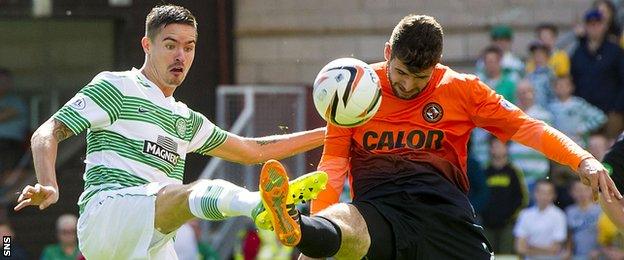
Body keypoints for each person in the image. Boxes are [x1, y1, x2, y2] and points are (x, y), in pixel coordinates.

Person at [259, 14, 621, 259]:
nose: (408, 85)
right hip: (380, 210)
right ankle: (301, 226)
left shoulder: (463, 90)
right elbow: (333, 166)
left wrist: (582, 158)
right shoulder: (355, 88)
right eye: (401, 72)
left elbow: (526, 126)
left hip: (446, 215)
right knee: (347, 220)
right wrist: (315, 244)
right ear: (388, 54)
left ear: (437, 63)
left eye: (421, 77)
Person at [13, 5, 328, 259]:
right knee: (192, 191)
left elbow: (252, 150)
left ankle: (261, 204)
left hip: (154, 237)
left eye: (189, 47)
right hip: (107, 215)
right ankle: (259, 205)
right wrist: (48, 184)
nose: (181, 56)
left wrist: (328, 134)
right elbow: (46, 132)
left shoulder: (186, 119)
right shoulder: (117, 86)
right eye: (171, 45)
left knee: (180, 198)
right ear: (147, 45)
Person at [571, 9, 624, 140]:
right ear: (585, 27)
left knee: (611, 152)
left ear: (604, 26)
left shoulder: (615, 51)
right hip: (585, 112)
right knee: (584, 151)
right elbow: (573, 81)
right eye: (590, 24)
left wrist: (618, 108)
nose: (594, 27)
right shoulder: (578, 53)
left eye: (597, 24)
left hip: (611, 112)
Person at [481, 137, 527, 254]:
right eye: (494, 146)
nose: (498, 149)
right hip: (486, 224)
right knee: (486, 255)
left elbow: (522, 198)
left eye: (501, 145)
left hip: (508, 225)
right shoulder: (484, 171)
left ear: (507, 148)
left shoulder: (514, 171)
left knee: (506, 255)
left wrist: (510, 217)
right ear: (490, 149)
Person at [508, 79, 552, 195]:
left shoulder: (544, 116)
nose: (524, 95)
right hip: (516, 176)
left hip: (537, 175)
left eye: (527, 91)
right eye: (521, 92)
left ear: (534, 93)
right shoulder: (510, 115)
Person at [514, 180, 567, 259]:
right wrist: (545, 250)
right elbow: (520, 248)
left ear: (554, 195)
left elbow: (555, 249)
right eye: (541, 192)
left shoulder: (559, 215)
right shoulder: (525, 214)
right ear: (535, 193)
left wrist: (530, 247)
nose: (544, 196)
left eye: (548, 193)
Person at [549, 76, 606, 148]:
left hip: (579, 143)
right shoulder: (551, 106)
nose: (561, 88)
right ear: (554, 88)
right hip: (559, 144)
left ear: (571, 87)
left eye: (564, 85)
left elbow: (600, 117)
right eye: (558, 86)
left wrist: (583, 128)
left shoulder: (579, 104)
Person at [0, 68, 28, 175]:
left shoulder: (16, 102)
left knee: (6, 174)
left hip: (9, 145)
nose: (2, 84)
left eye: (4, 82)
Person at [564, 181, 601, 260]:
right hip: (577, 255)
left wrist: (599, 250)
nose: (582, 193)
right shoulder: (569, 211)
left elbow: (605, 234)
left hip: (597, 256)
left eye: (586, 189)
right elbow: (570, 234)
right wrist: (568, 250)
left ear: (592, 190)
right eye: (578, 190)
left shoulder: (600, 211)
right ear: (572, 192)